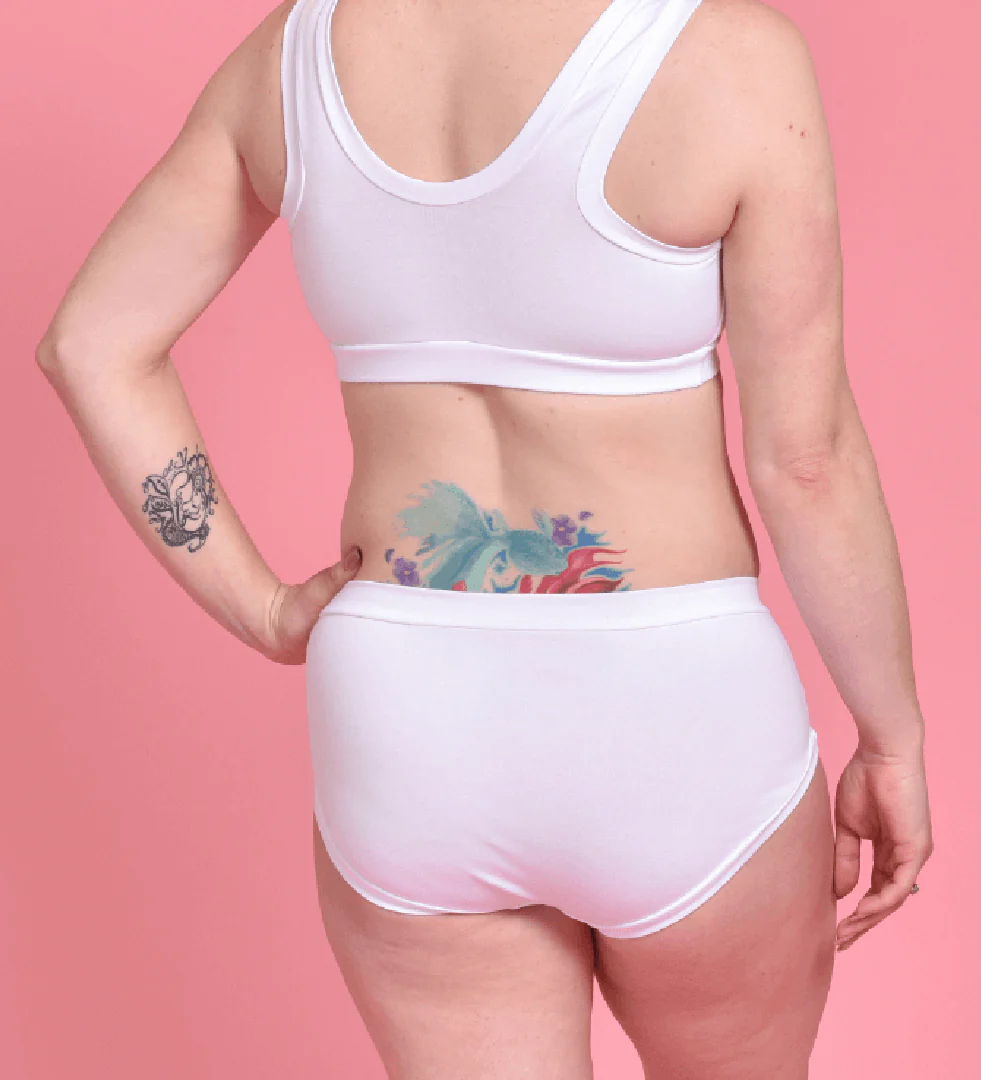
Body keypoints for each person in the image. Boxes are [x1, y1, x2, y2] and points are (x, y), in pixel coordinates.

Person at [35, 0, 934, 1075]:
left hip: (408, 712)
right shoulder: (728, 57)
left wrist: (262, 606)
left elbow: (92, 343)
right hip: (673, 698)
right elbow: (806, 464)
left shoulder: (297, 55)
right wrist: (890, 737)